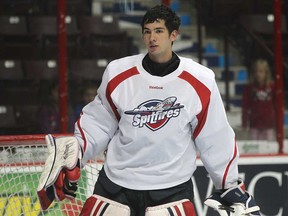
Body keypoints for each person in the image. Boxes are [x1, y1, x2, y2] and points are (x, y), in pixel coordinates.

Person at [37, 4, 260, 216]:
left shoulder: (200, 80)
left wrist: (228, 184)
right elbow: (99, 121)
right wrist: (78, 152)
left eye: (159, 31)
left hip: (171, 189)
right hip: (116, 186)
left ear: (174, 35)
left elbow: (214, 135)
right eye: (147, 31)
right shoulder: (118, 73)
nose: (152, 37)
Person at [242, 58, 277, 141]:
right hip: (254, 123)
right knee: (254, 148)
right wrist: (244, 123)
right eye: (256, 72)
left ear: (266, 73)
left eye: (261, 72)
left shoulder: (272, 87)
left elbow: (277, 106)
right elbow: (245, 106)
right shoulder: (249, 88)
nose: (258, 74)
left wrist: (278, 124)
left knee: (269, 148)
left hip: (269, 124)